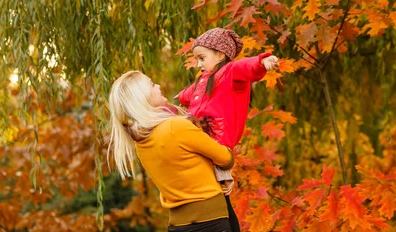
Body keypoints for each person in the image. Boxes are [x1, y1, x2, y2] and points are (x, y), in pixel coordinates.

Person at [175, 28, 279, 231]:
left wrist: (262, 62)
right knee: (219, 201)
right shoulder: (203, 80)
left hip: (217, 142)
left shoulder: (229, 73)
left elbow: (245, 67)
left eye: (202, 58)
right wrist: (177, 98)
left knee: (218, 191)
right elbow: (189, 95)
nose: (199, 64)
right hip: (202, 141)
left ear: (220, 54)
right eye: (197, 59)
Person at [108, 70, 235, 231]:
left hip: (177, 225)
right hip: (210, 219)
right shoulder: (175, 127)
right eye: (152, 85)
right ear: (143, 97)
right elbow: (225, 158)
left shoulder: (141, 143)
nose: (158, 86)